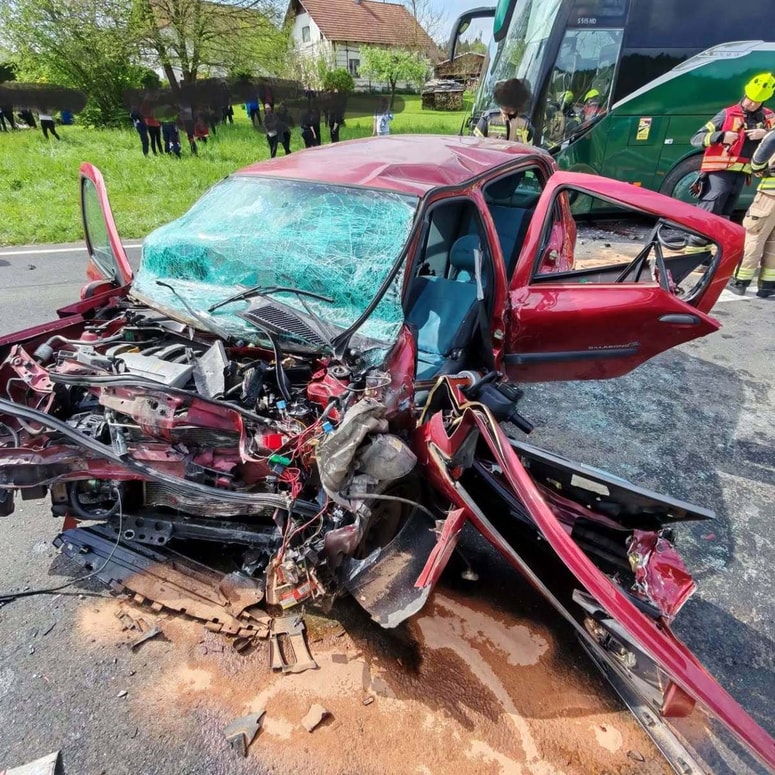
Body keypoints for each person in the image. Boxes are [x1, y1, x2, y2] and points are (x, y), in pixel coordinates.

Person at [690, 73, 775, 219]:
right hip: (719, 173)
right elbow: (696, 139)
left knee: (725, 215)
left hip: (742, 175)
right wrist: (722, 136)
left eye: (757, 102)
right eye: (750, 100)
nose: (752, 104)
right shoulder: (727, 114)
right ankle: (698, 234)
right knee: (709, 212)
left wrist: (765, 133)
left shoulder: (769, 117)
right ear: (745, 94)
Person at [728, 128, 775, 297]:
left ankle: (740, 281)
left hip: (769, 196)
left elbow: (760, 158)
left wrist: (759, 169)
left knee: (754, 236)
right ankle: (768, 285)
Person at [473, 78, 533, 143]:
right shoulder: (488, 119)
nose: (505, 117)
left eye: (510, 113)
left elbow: (528, 147)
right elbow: (475, 144)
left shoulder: (526, 123)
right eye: (504, 112)